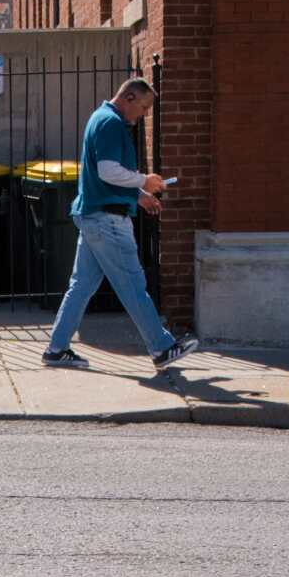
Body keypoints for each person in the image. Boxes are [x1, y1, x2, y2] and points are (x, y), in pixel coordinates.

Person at [41, 77, 197, 373]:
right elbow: (109, 170)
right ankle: (162, 348)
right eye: (144, 106)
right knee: (133, 286)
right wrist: (143, 181)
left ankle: (56, 349)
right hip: (107, 221)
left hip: (94, 216)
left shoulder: (101, 119)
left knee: (82, 285)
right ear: (128, 98)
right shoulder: (111, 123)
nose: (145, 114)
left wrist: (138, 195)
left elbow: (104, 175)